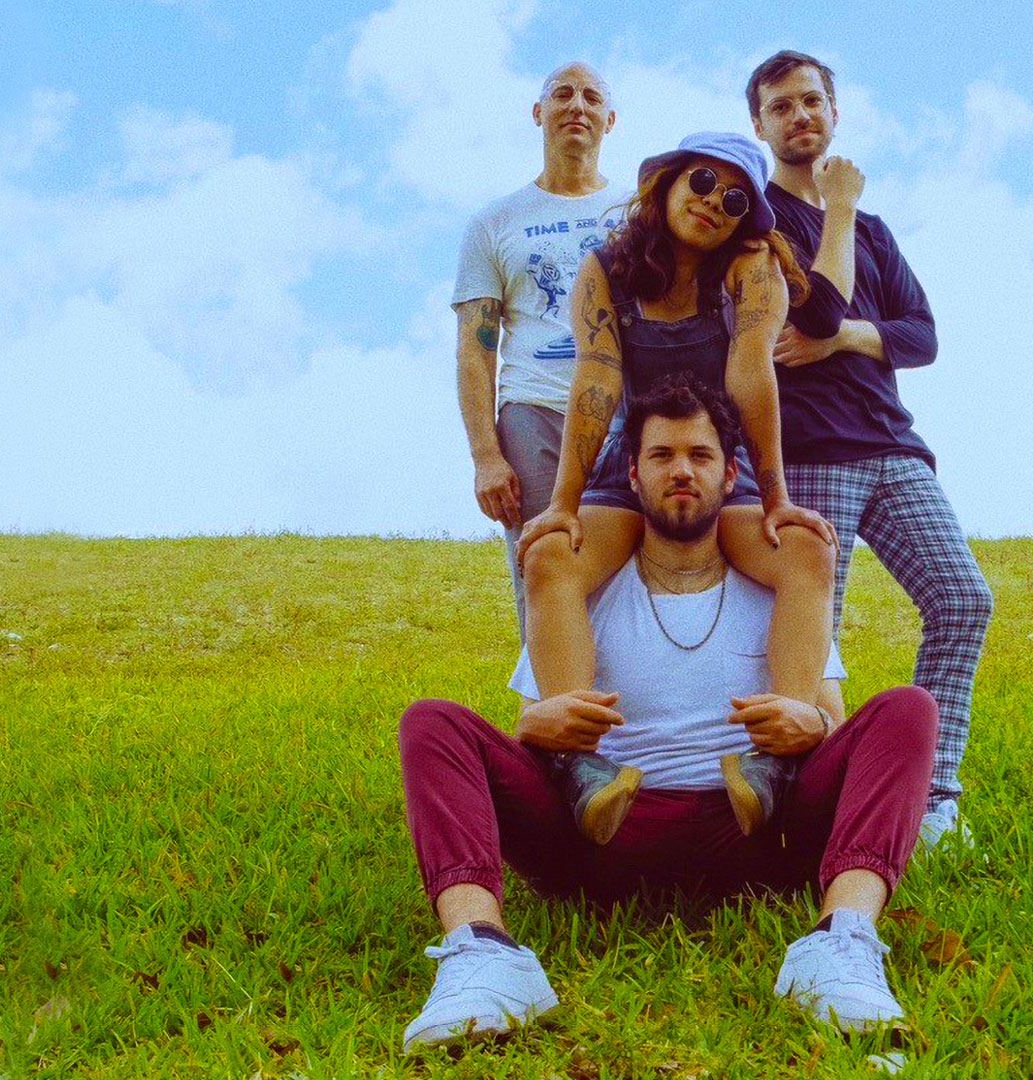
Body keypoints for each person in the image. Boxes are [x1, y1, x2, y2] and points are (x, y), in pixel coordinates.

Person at [397, 376, 938, 1052]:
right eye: (660, 456)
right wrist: (532, 728)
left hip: (756, 835)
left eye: (700, 455)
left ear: (730, 473)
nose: (681, 470)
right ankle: (481, 952)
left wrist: (815, 727)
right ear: (632, 473)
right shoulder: (585, 591)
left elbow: (832, 722)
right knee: (433, 724)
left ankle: (843, 941)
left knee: (908, 710)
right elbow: (536, 730)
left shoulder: (776, 589)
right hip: (602, 837)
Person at [515, 133, 840, 843]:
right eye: (700, 182)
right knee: (548, 559)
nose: (712, 203)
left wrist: (777, 495)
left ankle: (774, 762)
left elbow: (753, 372)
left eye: (734, 198)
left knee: (806, 552)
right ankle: (580, 767)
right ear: (663, 184)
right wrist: (564, 503)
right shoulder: (606, 271)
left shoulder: (750, 270)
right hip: (632, 467)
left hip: (725, 466)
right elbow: (596, 378)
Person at [746, 50, 995, 849]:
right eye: (781, 107)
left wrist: (852, 339)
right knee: (813, 642)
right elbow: (813, 314)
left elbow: (920, 336)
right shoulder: (757, 224)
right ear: (759, 125)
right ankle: (805, 803)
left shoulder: (877, 233)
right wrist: (841, 207)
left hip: (891, 448)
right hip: (808, 453)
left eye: (812, 101)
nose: (800, 117)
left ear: (835, 111)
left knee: (963, 599)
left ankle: (932, 797)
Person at [452, 62, 632, 629]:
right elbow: (475, 347)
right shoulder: (494, 222)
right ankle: (546, 709)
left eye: (590, 97)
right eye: (561, 94)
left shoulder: (637, 213)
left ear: (610, 119)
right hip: (535, 411)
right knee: (542, 568)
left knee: (635, 574)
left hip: (628, 413)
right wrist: (486, 455)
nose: (576, 105)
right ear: (539, 114)